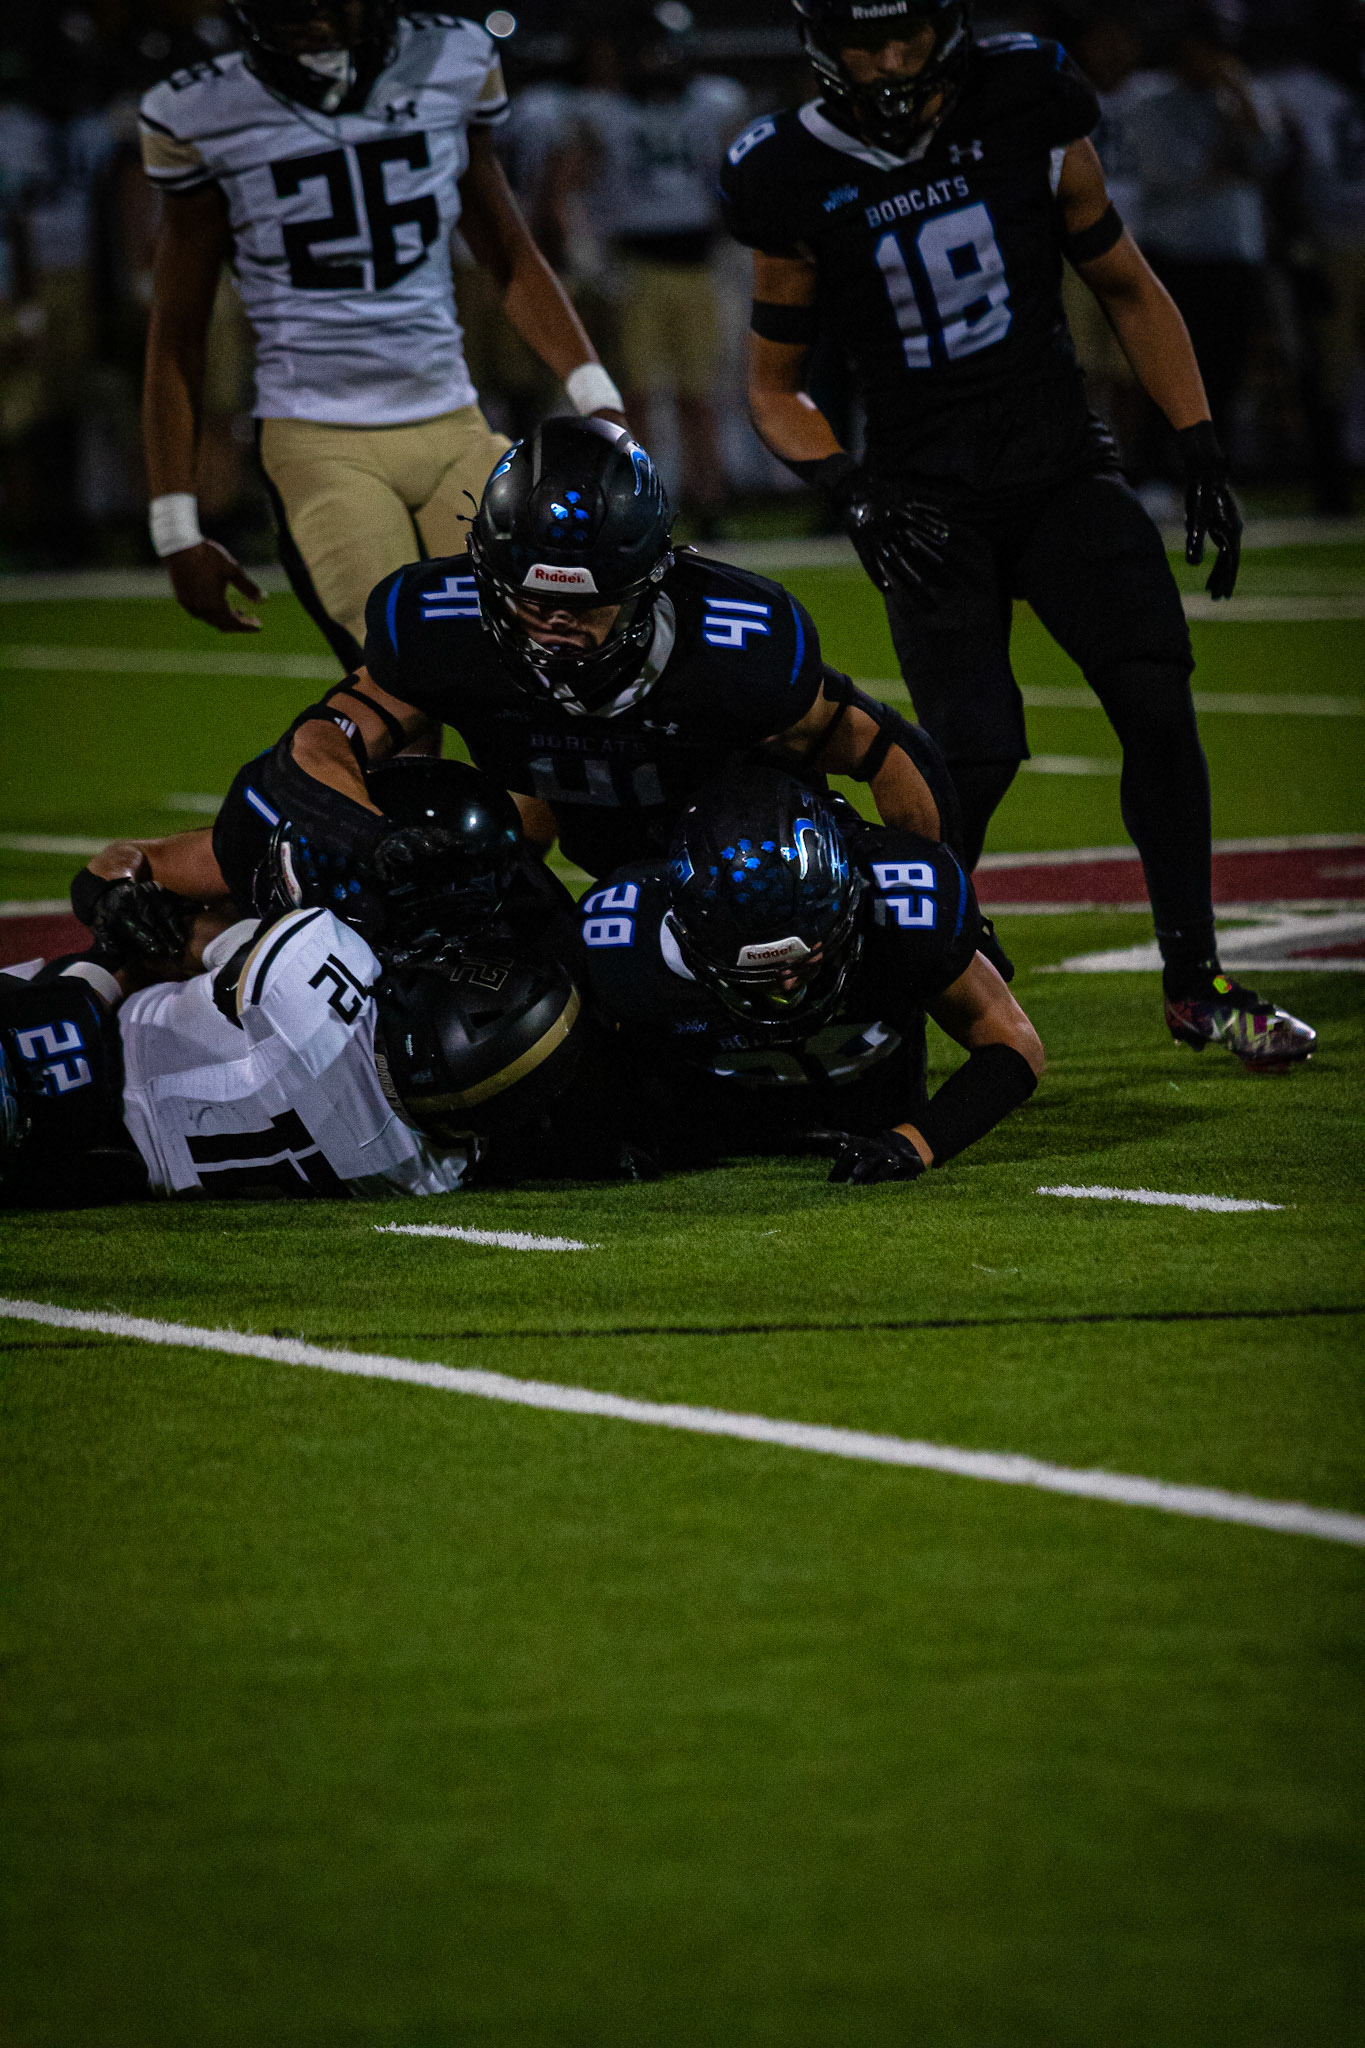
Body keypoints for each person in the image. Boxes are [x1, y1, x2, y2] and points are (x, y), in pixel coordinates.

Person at [718, 0, 1314, 1071]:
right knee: (971, 755)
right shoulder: (789, 170)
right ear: (822, 48)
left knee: (1156, 703)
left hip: (1057, 463)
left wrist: (1198, 442)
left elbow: (1124, 280)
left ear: (944, 27)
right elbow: (772, 386)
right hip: (923, 497)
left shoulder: (1024, 99)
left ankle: (1197, 985)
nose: (889, 63)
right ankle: (898, 988)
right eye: (865, 44)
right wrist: (852, 490)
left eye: (907, 38)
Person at [207, 417, 963, 912]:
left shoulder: (735, 649)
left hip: (746, 870)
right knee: (411, 830)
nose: (554, 624)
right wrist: (374, 842)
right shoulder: (441, 629)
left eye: (586, 603)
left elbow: (885, 750)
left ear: (646, 583)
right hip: (604, 869)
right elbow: (319, 743)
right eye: (531, 600)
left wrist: (938, 900)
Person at [138, 0, 625, 668]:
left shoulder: (452, 60)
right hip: (319, 439)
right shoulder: (202, 110)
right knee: (401, 681)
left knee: (543, 665)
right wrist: (175, 527)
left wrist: (598, 399)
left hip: (454, 425)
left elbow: (507, 250)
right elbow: (177, 334)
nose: (309, 17)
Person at [2, 869, 585, 1212]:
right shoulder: (426, 1173)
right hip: (111, 1173)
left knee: (65, 1016)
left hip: (91, 1058)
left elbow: (180, 940)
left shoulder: (315, 982)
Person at [577, 762, 1043, 1181]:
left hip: (873, 1116)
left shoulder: (901, 905)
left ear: (845, 902)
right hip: (705, 1136)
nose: (787, 985)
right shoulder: (623, 939)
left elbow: (1013, 1042)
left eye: (803, 960)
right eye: (759, 972)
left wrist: (916, 1142)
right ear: (689, 935)